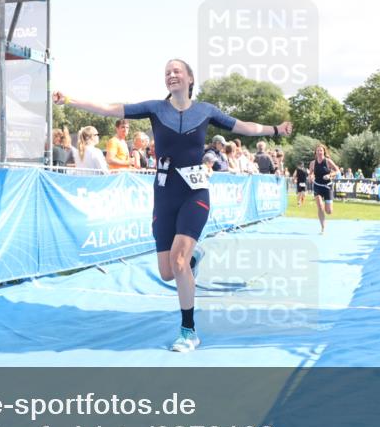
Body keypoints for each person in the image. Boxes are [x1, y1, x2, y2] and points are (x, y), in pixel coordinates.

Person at [53, 58, 292, 352]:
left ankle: (188, 331)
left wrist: (276, 130)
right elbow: (110, 108)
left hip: (195, 194)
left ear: (190, 78)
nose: (171, 75)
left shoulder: (206, 111)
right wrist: (70, 100)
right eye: (167, 72)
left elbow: (245, 127)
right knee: (169, 271)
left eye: (177, 71)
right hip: (164, 196)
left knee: (178, 263)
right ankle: (193, 260)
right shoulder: (156, 108)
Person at [308, 144, 340, 234]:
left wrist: (329, 175)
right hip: (317, 186)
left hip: (327, 187)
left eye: (321, 150)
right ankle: (323, 228)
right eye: (317, 150)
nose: (319, 152)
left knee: (329, 211)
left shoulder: (328, 161)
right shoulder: (312, 163)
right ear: (315, 152)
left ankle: (328, 209)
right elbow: (310, 173)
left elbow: (337, 171)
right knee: (320, 206)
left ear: (324, 152)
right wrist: (310, 177)